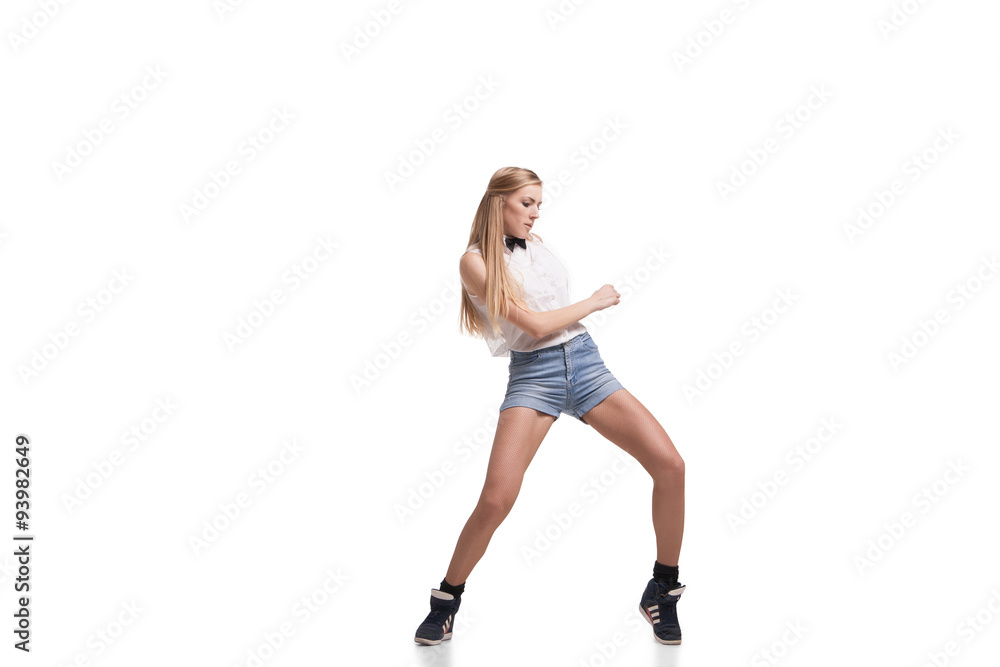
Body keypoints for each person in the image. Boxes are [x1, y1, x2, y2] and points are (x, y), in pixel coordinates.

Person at [413, 167, 686, 646]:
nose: (536, 213)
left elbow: (552, 318)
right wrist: (595, 301)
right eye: (526, 203)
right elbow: (535, 326)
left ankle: (662, 590)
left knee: (671, 466)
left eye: (539, 203)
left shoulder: (538, 244)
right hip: (534, 374)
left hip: (585, 364)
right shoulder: (473, 261)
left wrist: (579, 313)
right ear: (498, 203)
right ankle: (446, 600)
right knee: (497, 499)